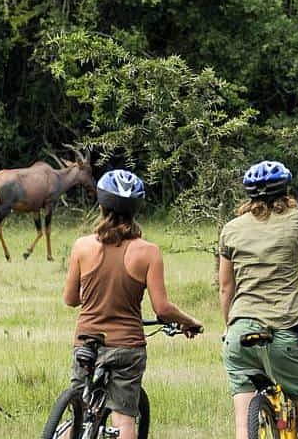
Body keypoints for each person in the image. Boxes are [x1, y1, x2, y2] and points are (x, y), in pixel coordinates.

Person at [63, 169, 203, 439]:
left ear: (101, 204)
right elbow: (162, 308)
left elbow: (70, 300)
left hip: (87, 343)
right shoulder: (149, 252)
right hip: (126, 347)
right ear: (136, 208)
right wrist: (189, 322)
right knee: (124, 420)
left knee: (78, 413)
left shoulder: (82, 246)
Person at [219, 160, 298, 439]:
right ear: (286, 192)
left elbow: (226, 288)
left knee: (243, 426)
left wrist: (228, 328)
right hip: (283, 333)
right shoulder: (297, 221)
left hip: (240, 335)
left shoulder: (231, 229)